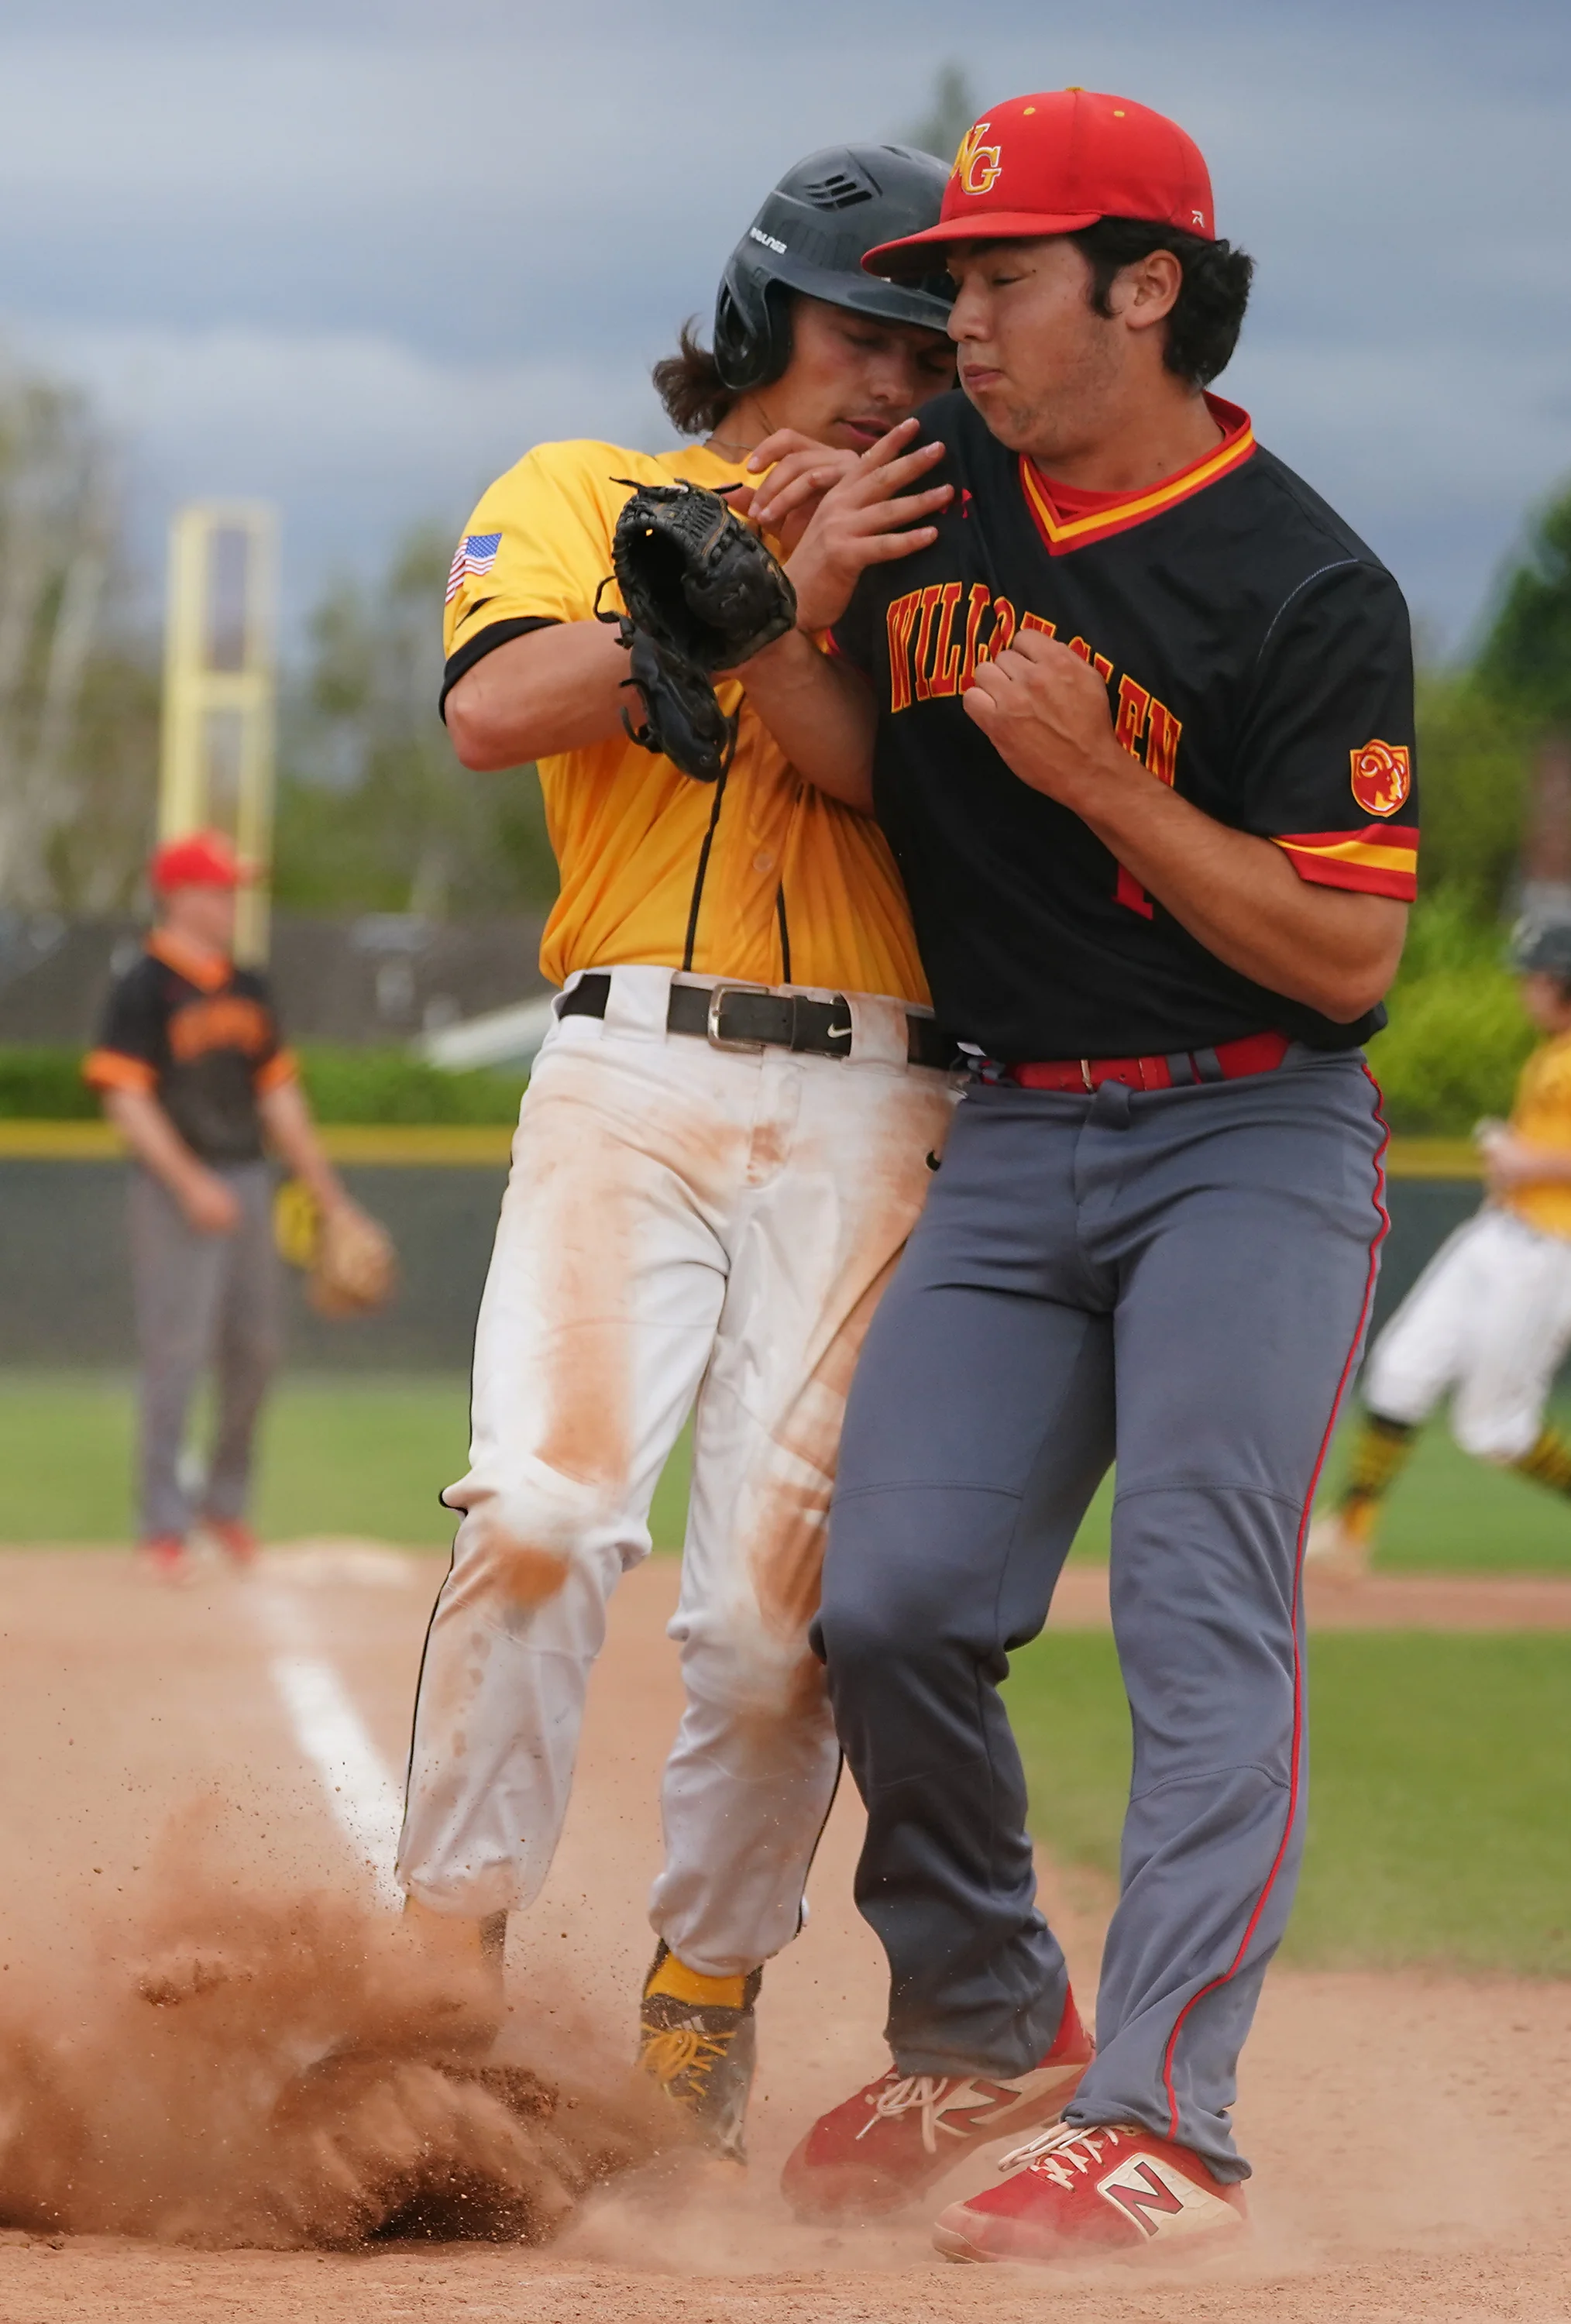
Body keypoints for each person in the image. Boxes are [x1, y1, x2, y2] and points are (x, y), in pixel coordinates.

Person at [734, 88, 1417, 2264]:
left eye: (1001, 278)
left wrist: (1111, 786)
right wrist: (767, 618)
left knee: (1201, 1617)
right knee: (891, 1601)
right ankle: (986, 2015)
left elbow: (1349, 955)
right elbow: (877, 768)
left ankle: (1165, 2124)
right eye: (948, 283)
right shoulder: (938, 489)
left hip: (1247, 1130)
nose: (958, 323)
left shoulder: (1303, 580)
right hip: (1019, 1123)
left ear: (1145, 287)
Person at [394, 144, 961, 2164]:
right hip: (630, 1059)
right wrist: (719, 584)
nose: (896, 377)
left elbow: (910, 788)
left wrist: (808, 601)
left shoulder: (953, 548)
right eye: (860, 327)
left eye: (932, 349)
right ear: (756, 314)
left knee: (772, 1621)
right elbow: (493, 711)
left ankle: (703, 1997)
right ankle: (442, 1966)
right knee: (544, 1515)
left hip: (887, 1094)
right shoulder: (584, 489)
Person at [1308, 917, 1571, 1588]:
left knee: (1493, 1427)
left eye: (1536, 976)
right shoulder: (1558, 1051)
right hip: (1498, 1234)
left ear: (1567, 982)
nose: (1527, 987)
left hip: (1557, 1256)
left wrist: (1530, 1162)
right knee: (1399, 1370)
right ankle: (1351, 1534)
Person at [83, 830, 361, 1583]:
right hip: (175, 1187)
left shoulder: (247, 985)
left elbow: (280, 1096)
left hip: (246, 1181)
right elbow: (126, 1098)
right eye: (219, 889)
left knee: (257, 1348)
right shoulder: (144, 986)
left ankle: (223, 1505)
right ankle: (162, 1524)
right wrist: (187, 1182)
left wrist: (332, 1201)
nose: (232, 902)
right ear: (178, 896)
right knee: (176, 1353)